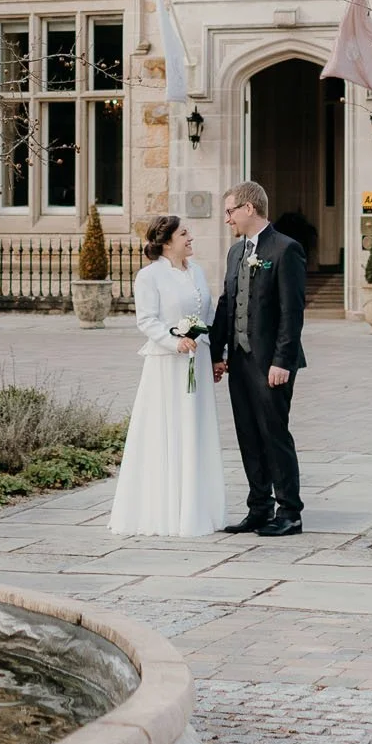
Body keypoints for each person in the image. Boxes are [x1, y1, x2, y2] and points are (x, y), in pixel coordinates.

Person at [106, 214, 226, 535]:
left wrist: (216, 354)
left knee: (196, 429)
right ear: (168, 242)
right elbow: (147, 320)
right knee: (168, 428)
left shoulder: (196, 270)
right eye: (184, 234)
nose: (190, 238)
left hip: (198, 360)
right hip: (168, 364)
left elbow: (208, 315)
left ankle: (198, 508)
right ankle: (167, 510)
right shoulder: (149, 276)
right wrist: (175, 341)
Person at [211, 179, 306, 536]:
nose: (227, 219)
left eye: (230, 211)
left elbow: (292, 312)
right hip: (239, 361)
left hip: (271, 363)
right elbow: (227, 303)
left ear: (249, 208)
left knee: (273, 434)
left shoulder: (286, 249)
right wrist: (216, 354)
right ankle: (260, 508)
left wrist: (282, 360)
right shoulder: (235, 252)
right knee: (248, 434)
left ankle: (290, 512)